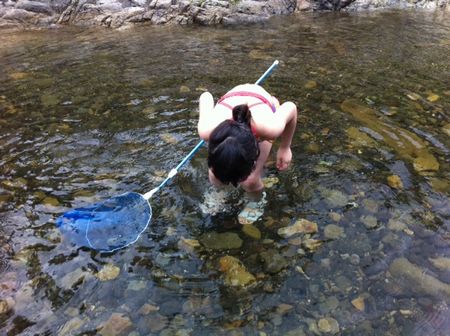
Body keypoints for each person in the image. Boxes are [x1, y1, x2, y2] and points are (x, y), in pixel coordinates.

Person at [198, 83, 298, 198]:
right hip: (232, 103)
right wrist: (212, 112)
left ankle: (255, 204)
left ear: (255, 152)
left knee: (250, 181)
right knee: (214, 176)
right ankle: (218, 196)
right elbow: (205, 96)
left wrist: (285, 147)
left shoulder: (269, 128)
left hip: (261, 107)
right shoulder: (206, 130)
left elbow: (291, 107)